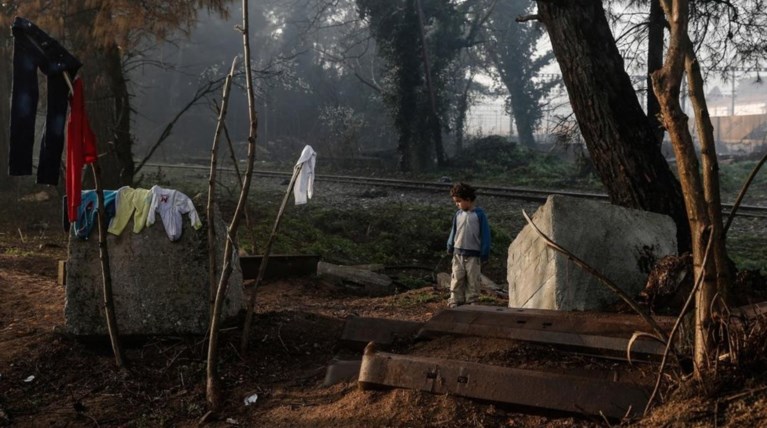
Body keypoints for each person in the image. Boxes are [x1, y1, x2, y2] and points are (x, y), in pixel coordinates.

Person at [446, 182, 491, 308]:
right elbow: (453, 231)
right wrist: (450, 245)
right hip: (458, 252)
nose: (457, 204)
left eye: (459, 201)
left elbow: (485, 235)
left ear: (468, 199)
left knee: (473, 278)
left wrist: (485, 252)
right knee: (457, 277)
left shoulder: (479, 215)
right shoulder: (458, 215)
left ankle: (472, 299)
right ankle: (455, 299)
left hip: (474, 254)